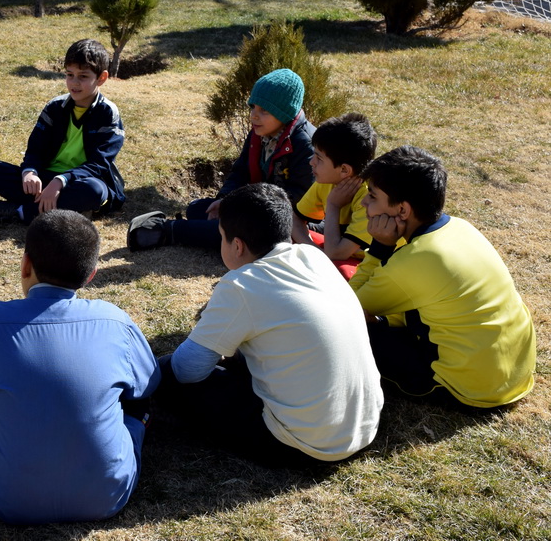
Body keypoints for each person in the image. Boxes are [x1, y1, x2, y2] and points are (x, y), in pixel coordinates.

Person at [0, 210, 160, 524]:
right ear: (91, 274)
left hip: (6, 499)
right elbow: (148, 384)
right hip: (106, 497)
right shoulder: (115, 320)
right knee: (135, 407)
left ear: (25, 264)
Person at [157, 183, 383, 467]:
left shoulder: (241, 285)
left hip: (304, 445)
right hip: (364, 429)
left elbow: (187, 371)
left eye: (222, 237)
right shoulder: (315, 257)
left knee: (165, 373)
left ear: (237, 245)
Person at [350, 146, 536, 410]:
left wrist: (379, 248)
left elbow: (347, 306)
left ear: (402, 210)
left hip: (468, 390)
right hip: (513, 375)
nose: (363, 203)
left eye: (372, 196)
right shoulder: (462, 227)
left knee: (352, 331)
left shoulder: (413, 259)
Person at [128, 68, 315, 252]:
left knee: (240, 229)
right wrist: (225, 199)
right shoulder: (259, 132)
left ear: (284, 112)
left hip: (290, 221)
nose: (253, 115)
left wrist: (242, 205)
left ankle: (167, 231)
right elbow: (241, 172)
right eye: (252, 107)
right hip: (257, 206)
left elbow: (297, 198)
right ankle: (199, 228)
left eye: (264, 110)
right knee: (198, 208)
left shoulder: (304, 144)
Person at [0, 39, 125, 224]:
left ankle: (21, 211)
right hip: (45, 180)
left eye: (83, 76)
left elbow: (99, 164)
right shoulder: (55, 107)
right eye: (70, 74)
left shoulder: (108, 113)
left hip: (80, 182)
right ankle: (66, 208)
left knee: (94, 191)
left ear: (101, 78)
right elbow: (35, 148)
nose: (74, 82)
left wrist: (60, 181)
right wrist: (29, 172)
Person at [290, 112, 379, 280]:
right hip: (334, 250)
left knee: (341, 274)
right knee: (281, 240)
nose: (311, 162)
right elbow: (294, 219)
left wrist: (333, 205)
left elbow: (337, 253)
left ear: (344, 170)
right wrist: (314, 250)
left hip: (365, 262)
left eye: (319, 158)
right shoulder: (327, 180)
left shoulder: (369, 197)